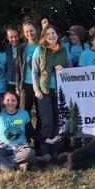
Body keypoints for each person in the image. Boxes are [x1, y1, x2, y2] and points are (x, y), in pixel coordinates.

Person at [0, 75, 62, 172]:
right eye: (8, 100)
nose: (10, 103)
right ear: (4, 102)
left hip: (20, 149)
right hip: (4, 148)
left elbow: (31, 132)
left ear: (17, 102)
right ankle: (14, 167)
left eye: (13, 100)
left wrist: (49, 141)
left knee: (30, 152)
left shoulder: (23, 114)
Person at [32, 24, 71, 162]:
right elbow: (35, 72)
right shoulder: (39, 50)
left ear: (57, 34)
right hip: (44, 90)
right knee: (46, 121)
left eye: (53, 33)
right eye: (48, 34)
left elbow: (71, 70)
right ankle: (44, 151)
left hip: (61, 91)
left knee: (59, 120)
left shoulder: (64, 50)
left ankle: (57, 151)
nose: (51, 36)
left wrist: (64, 70)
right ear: (44, 37)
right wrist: (36, 89)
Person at [15, 20, 40, 115]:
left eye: (31, 30)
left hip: (41, 83)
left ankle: (39, 130)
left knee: (40, 112)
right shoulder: (21, 48)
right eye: (27, 31)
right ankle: (26, 130)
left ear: (36, 30)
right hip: (26, 84)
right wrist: (17, 87)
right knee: (24, 111)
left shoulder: (43, 46)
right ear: (24, 33)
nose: (29, 33)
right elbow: (18, 68)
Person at [4, 26, 21, 94]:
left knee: (22, 104)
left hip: (22, 83)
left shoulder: (24, 47)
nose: (14, 39)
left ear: (19, 36)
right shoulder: (5, 48)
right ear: (7, 37)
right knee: (11, 103)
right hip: (9, 82)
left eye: (16, 36)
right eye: (11, 37)